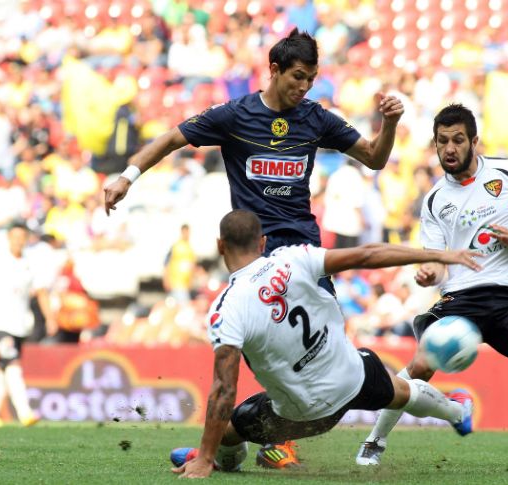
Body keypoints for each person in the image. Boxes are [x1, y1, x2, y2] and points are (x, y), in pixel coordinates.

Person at [104, 28, 403, 467]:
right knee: (258, 350)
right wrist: (126, 177)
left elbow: (375, 158)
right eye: (298, 76)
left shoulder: (316, 118)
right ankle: (231, 443)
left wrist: (390, 124)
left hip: (303, 249)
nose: (304, 87)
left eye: (311, 79)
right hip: (255, 254)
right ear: (275, 69)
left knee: (317, 343)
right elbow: (170, 138)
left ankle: (263, 443)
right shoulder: (234, 115)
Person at [356, 104, 508, 468]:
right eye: (442, 142)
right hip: (461, 298)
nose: (449, 149)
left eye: (457, 140)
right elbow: (437, 261)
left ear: (474, 141)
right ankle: (375, 440)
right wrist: (429, 274)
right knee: (420, 365)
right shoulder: (435, 201)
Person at [169, 209, 484, 478]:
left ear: (220, 246)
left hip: (300, 418)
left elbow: (224, 388)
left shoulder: (226, 308)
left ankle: (214, 458)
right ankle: (458, 413)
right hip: (352, 378)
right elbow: (367, 254)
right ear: (263, 242)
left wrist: (207, 456)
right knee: (401, 390)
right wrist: (437, 254)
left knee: (230, 431)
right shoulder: (293, 257)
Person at [0, 221, 58, 427]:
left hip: (19, 323)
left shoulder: (29, 264)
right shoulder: (0, 261)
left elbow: (41, 292)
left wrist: (50, 317)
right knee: (12, 363)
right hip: (0, 323)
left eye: (22, 237)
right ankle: (25, 412)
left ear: (26, 239)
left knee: (2, 369)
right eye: (14, 237)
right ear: (8, 238)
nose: (18, 241)